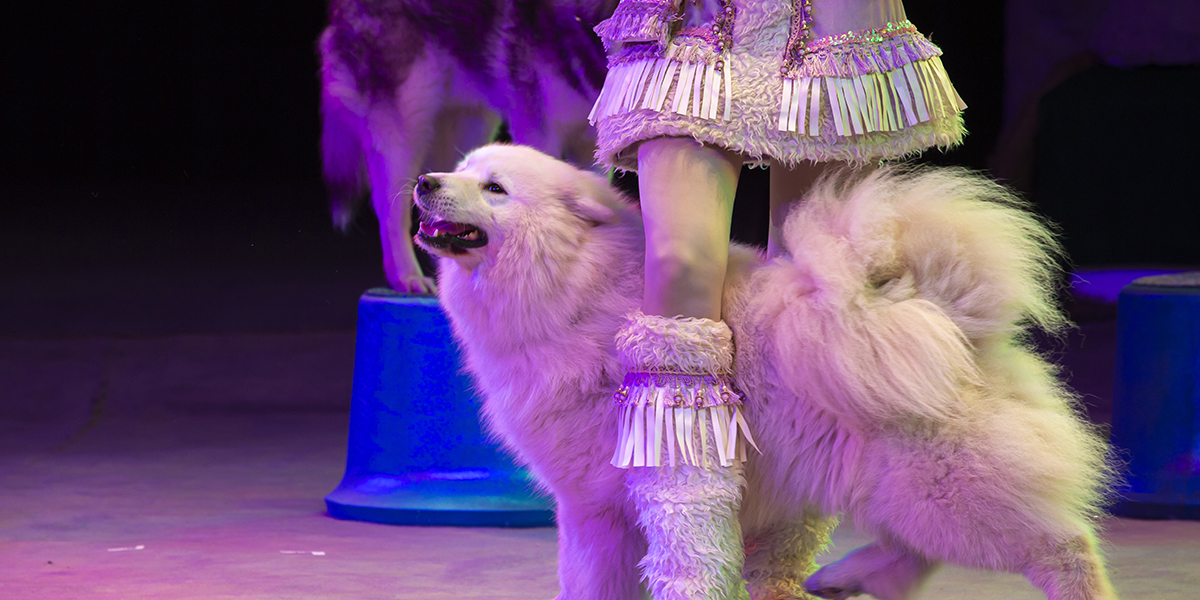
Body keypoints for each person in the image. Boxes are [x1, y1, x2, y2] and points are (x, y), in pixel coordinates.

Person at [589, 1, 966, 598]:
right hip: (697, 23)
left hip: (826, 28)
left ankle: (777, 563)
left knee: (813, 282)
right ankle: (691, 568)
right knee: (680, 265)